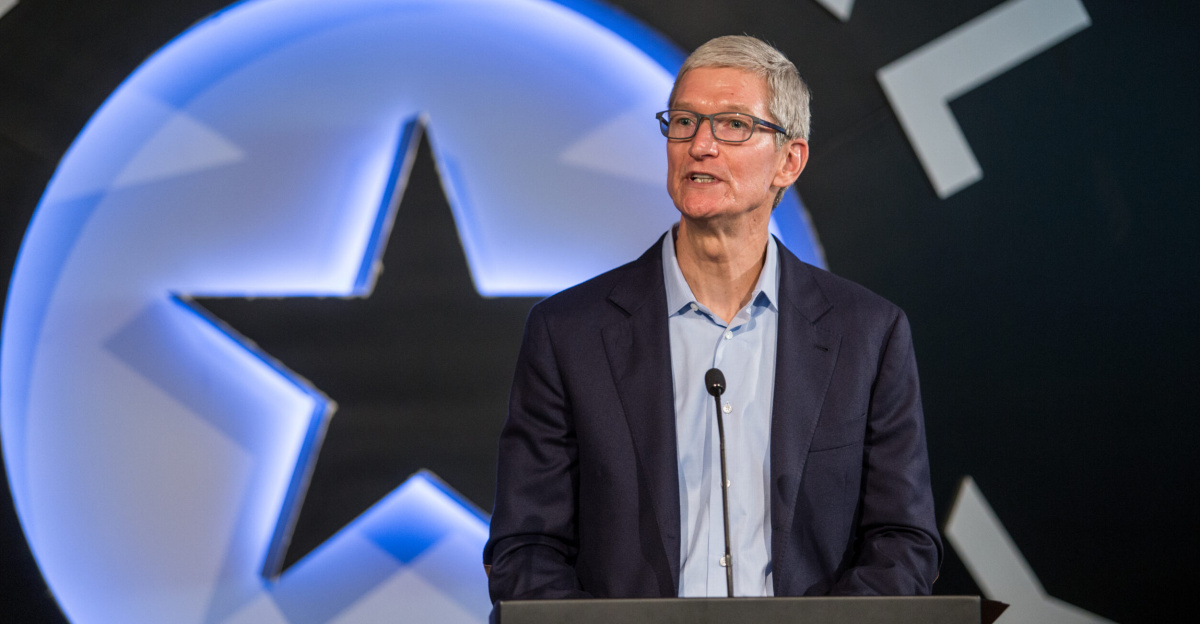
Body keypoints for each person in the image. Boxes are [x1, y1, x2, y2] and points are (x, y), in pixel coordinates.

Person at [483, 35, 941, 601]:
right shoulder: (568, 333)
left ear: (789, 161)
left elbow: (903, 541)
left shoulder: (868, 334)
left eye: (732, 126)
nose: (701, 145)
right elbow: (525, 550)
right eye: (683, 122)